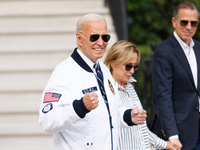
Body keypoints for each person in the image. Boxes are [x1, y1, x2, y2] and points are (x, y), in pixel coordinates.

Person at [39, 13, 147, 150]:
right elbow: (47, 120)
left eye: (105, 37)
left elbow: (110, 112)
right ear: (79, 38)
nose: (101, 42)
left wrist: (128, 116)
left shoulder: (103, 70)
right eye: (94, 37)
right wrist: (79, 107)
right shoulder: (64, 72)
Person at [104, 40, 174, 150]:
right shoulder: (105, 90)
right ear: (113, 63)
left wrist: (165, 145)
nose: (132, 71)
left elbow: (142, 130)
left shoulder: (130, 85)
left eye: (135, 67)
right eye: (128, 66)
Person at [151, 2, 200, 150]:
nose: (189, 27)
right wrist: (172, 135)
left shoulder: (199, 48)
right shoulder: (164, 52)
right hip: (180, 134)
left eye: (194, 23)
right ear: (174, 22)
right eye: (184, 22)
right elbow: (162, 97)